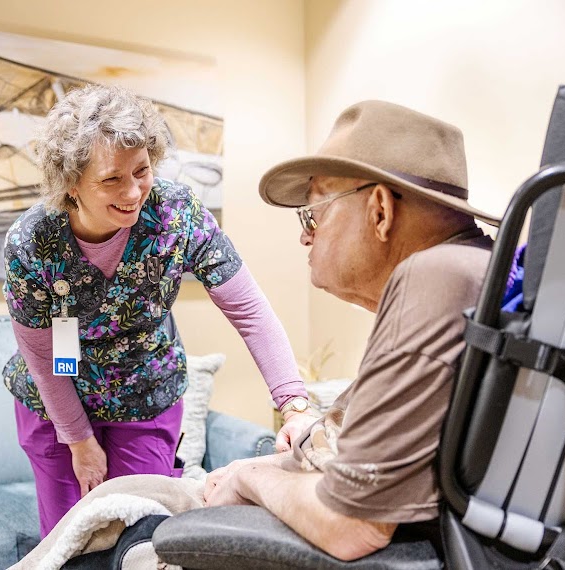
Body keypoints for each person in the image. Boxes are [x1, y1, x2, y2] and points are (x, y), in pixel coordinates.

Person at [1, 83, 316, 537]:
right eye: (112, 178)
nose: (133, 191)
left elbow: (248, 308)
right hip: (55, 406)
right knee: (71, 541)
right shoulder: (31, 242)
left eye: (142, 170)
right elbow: (41, 353)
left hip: (145, 394)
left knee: (145, 534)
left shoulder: (176, 214)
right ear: (71, 183)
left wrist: (294, 404)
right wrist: (79, 439)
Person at [203, 99, 499, 561]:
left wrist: (248, 478)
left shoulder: (433, 278)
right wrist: (264, 464)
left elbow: (351, 525)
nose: (306, 235)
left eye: (314, 213)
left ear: (379, 211)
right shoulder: (473, 268)